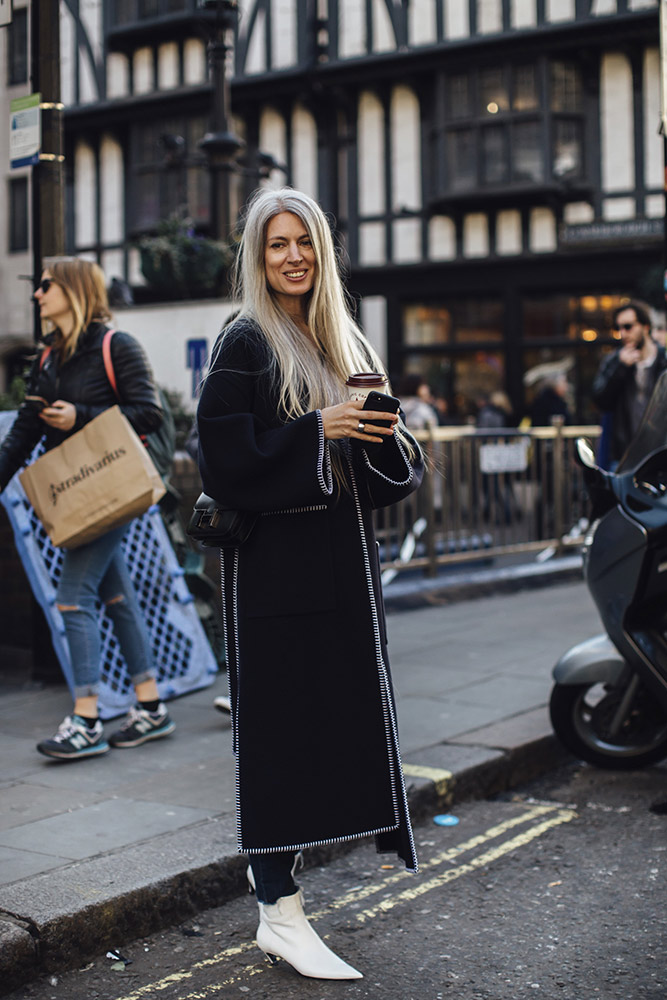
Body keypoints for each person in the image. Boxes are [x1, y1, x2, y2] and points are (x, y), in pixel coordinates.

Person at [196, 188, 424, 980]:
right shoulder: (245, 340)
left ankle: (283, 908)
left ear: (323, 250)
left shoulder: (339, 337)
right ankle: (278, 914)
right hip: (274, 586)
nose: (291, 255)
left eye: (303, 241)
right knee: (280, 744)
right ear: (258, 258)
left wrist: (376, 423)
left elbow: (396, 475)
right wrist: (313, 431)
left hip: (341, 582)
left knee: (328, 733)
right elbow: (219, 458)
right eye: (275, 244)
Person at [0, 258, 175, 760]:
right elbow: (21, 437)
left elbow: (150, 413)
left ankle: (86, 718)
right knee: (117, 598)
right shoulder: (48, 359)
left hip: (112, 491)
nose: (37, 294)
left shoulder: (115, 346)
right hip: (84, 496)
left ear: (73, 290)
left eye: (46, 285)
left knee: (73, 598)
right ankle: (151, 708)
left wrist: (83, 415)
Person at [592, 300, 667, 469]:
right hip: (623, 453)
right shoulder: (614, 361)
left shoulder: (663, 360)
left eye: (628, 327)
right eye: (618, 328)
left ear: (645, 327)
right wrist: (621, 369)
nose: (622, 334)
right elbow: (601, 402)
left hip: (660, 453)